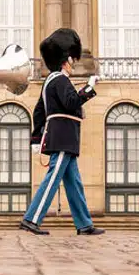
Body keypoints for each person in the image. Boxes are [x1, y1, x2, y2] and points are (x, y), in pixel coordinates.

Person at [20, 28, 104, 236]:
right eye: (72, 59)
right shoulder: (60, 80)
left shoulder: (51, 81)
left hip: (63, 137)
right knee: (53, 179)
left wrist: (36, 137)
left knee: (74, 184)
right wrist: (88, 88)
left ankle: (84, 224)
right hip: (63, 137)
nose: (73, 63)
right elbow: (70, 101)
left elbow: (39, 111)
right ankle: (32, 218)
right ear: (66, 59)